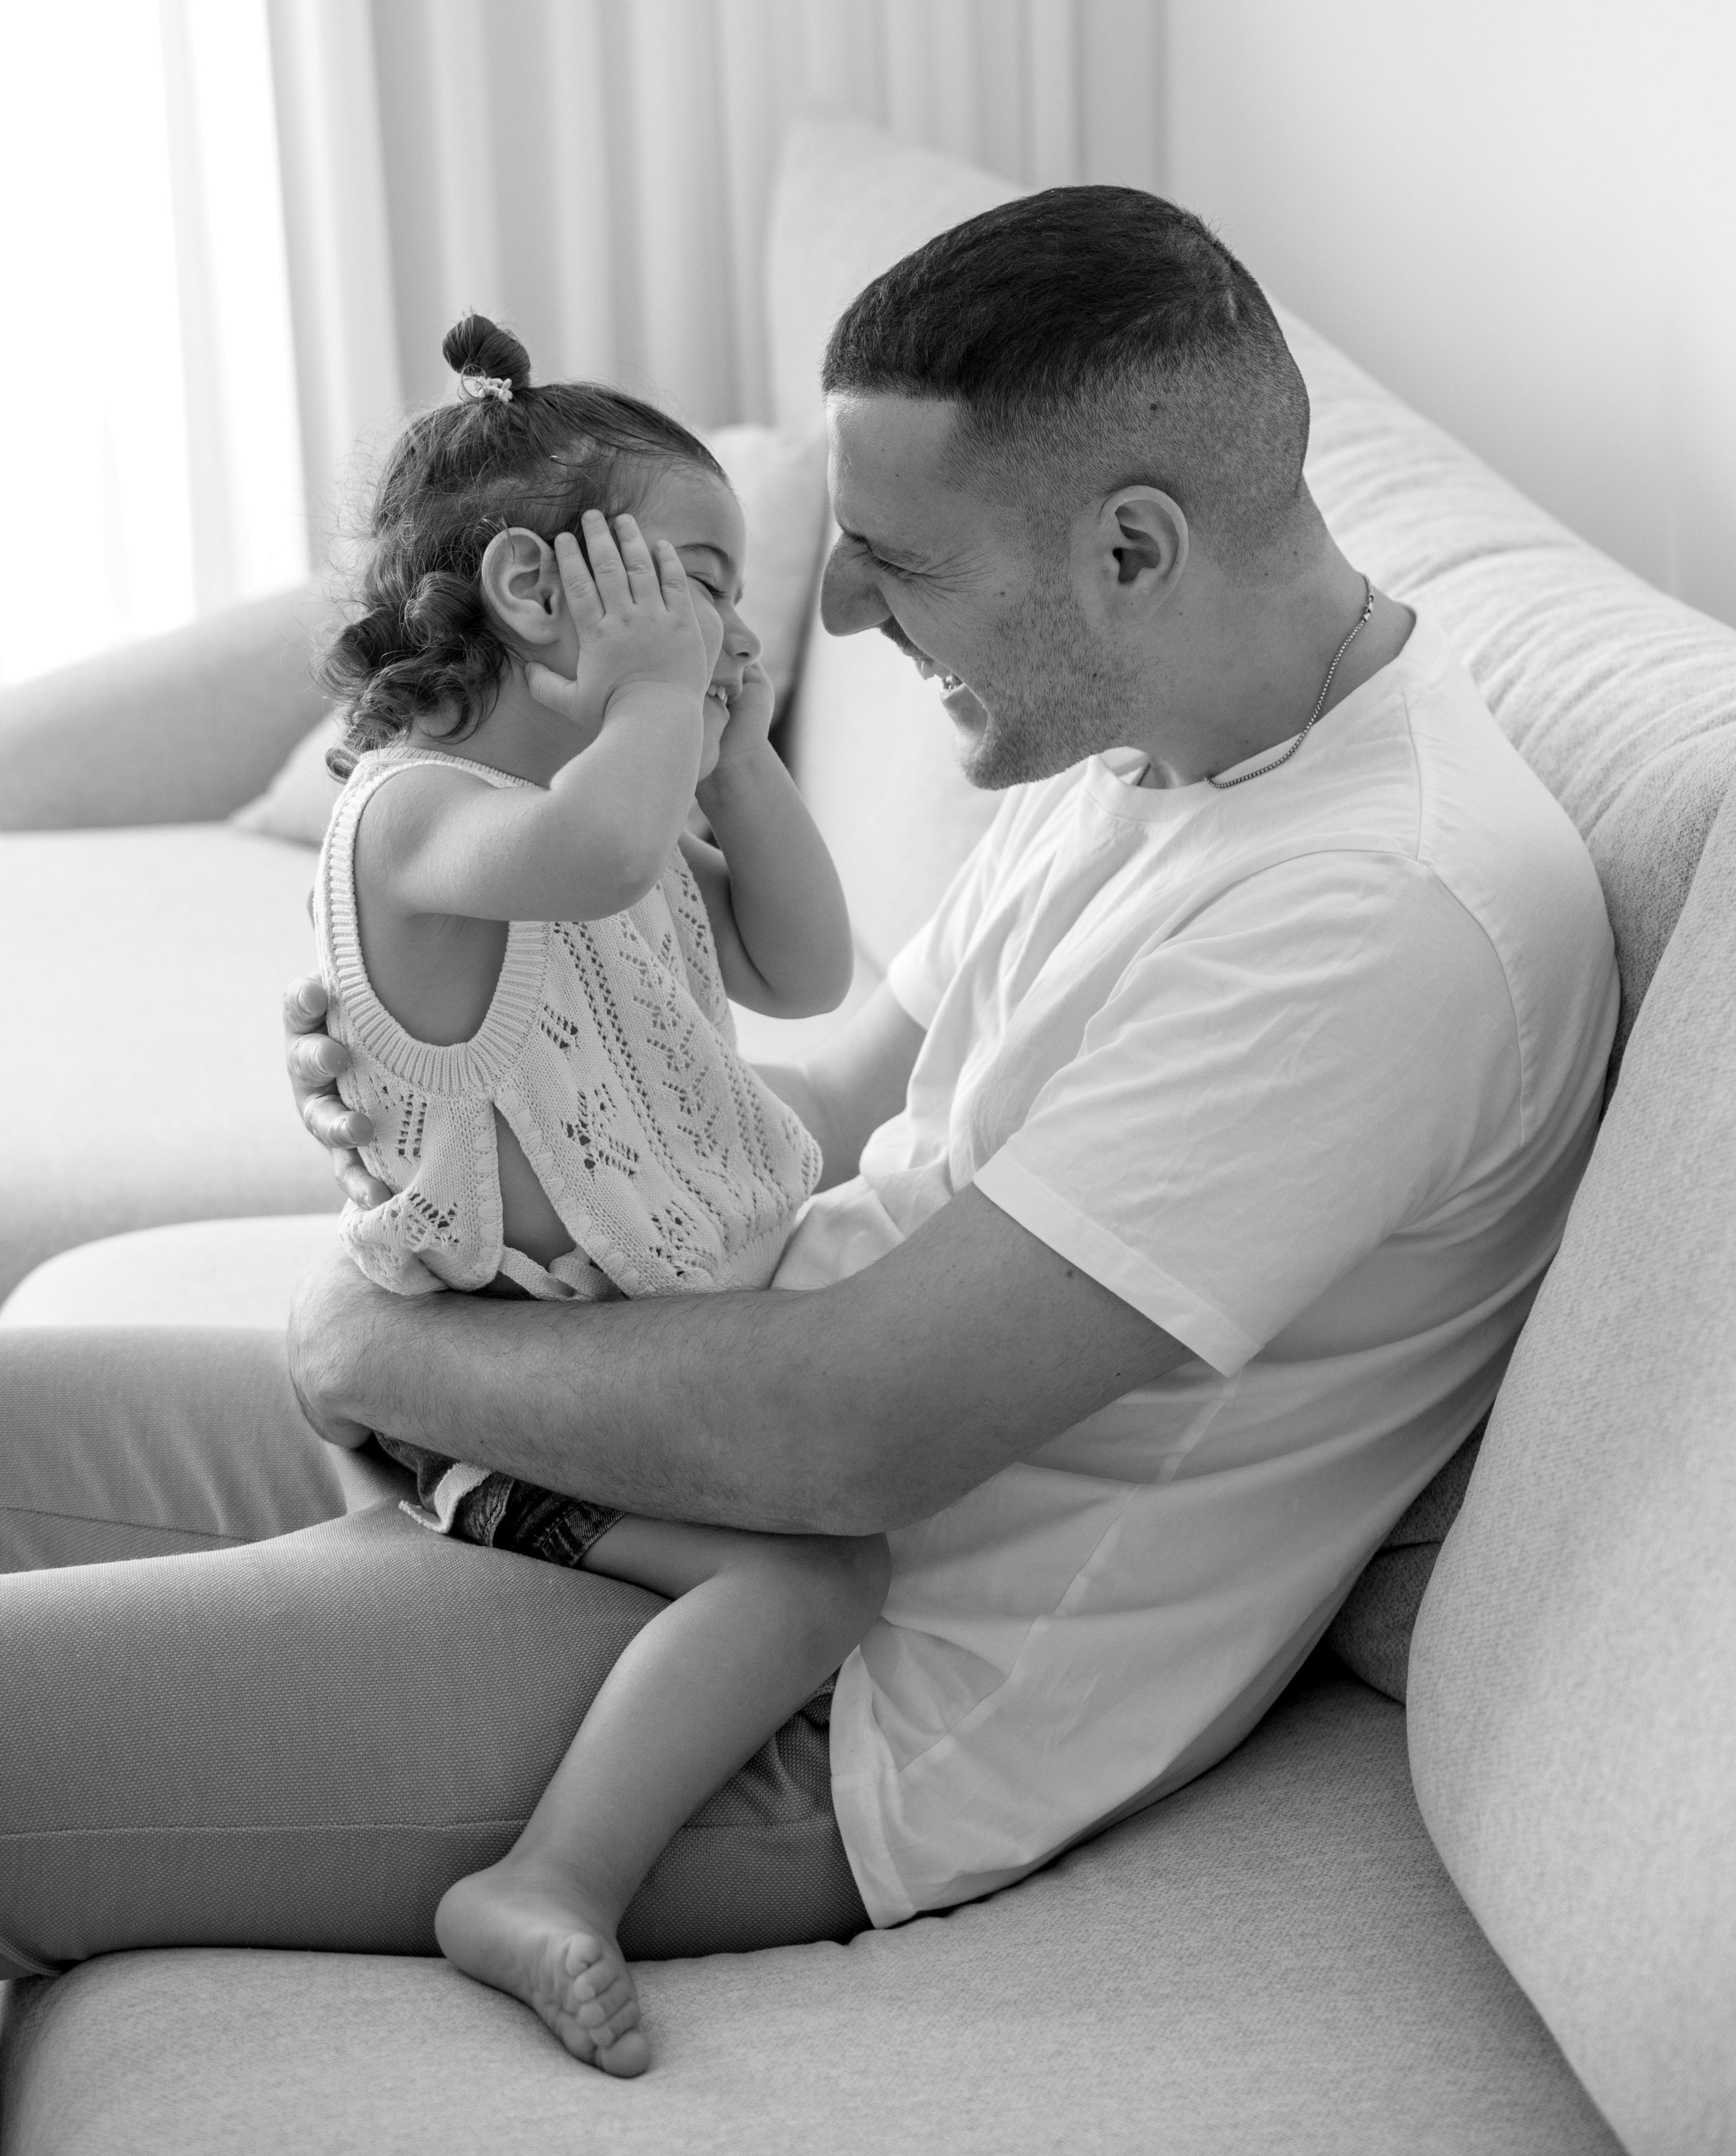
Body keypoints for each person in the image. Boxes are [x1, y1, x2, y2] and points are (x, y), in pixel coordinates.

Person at [0, 189, 1617, 1997]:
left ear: (1134, 551)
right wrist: (472, 1071)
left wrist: (366, 1344)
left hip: (826, 1683)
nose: (832, 606)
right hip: (687, 1446)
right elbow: (831, 1101)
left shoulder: (1382, 913)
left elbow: (853, 1436)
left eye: (897, 562)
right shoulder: (1151, 745)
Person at [298, 311, 881, 2073]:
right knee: (813, 1583)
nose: (732, 624)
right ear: (543, 591)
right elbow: (592, 857)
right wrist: (652, 710)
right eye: (700, 581)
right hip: (499, 1404)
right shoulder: (426, 822)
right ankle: (548, 1879)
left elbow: (808, 971)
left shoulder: (617, 809)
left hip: (646, 1362)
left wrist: (745, 753)